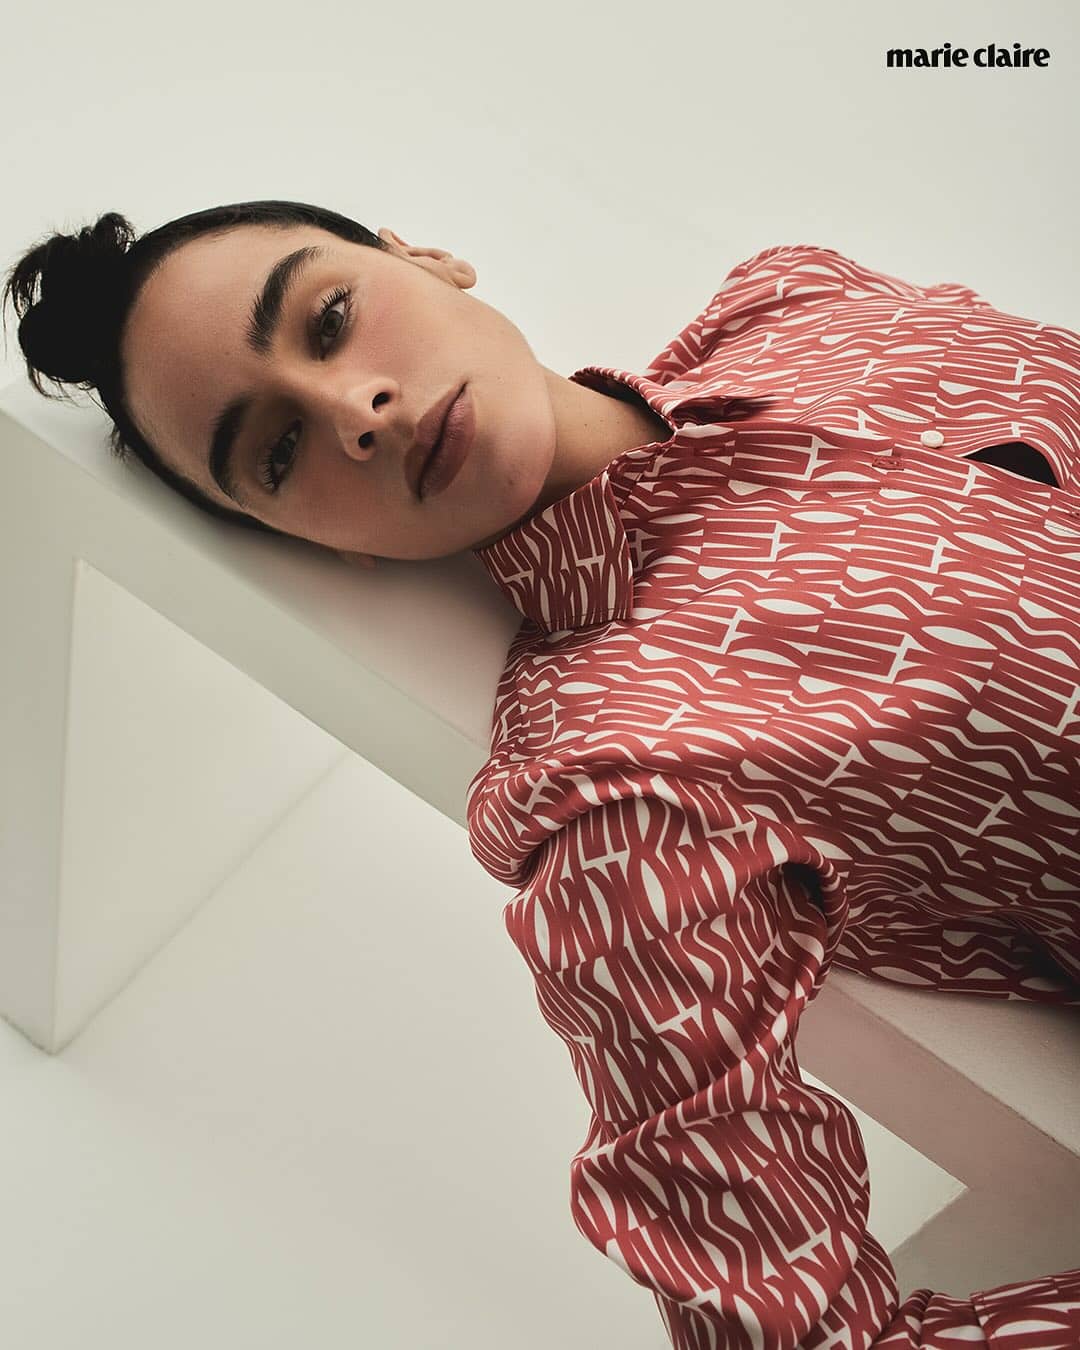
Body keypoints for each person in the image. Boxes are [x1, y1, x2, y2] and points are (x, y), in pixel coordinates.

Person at [4, 200, 1080, 1348]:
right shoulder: (618, 782)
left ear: (424, 259)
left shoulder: (795, 297)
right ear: (325, 547)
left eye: (329, 319)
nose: (356, 411)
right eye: (277, 452)